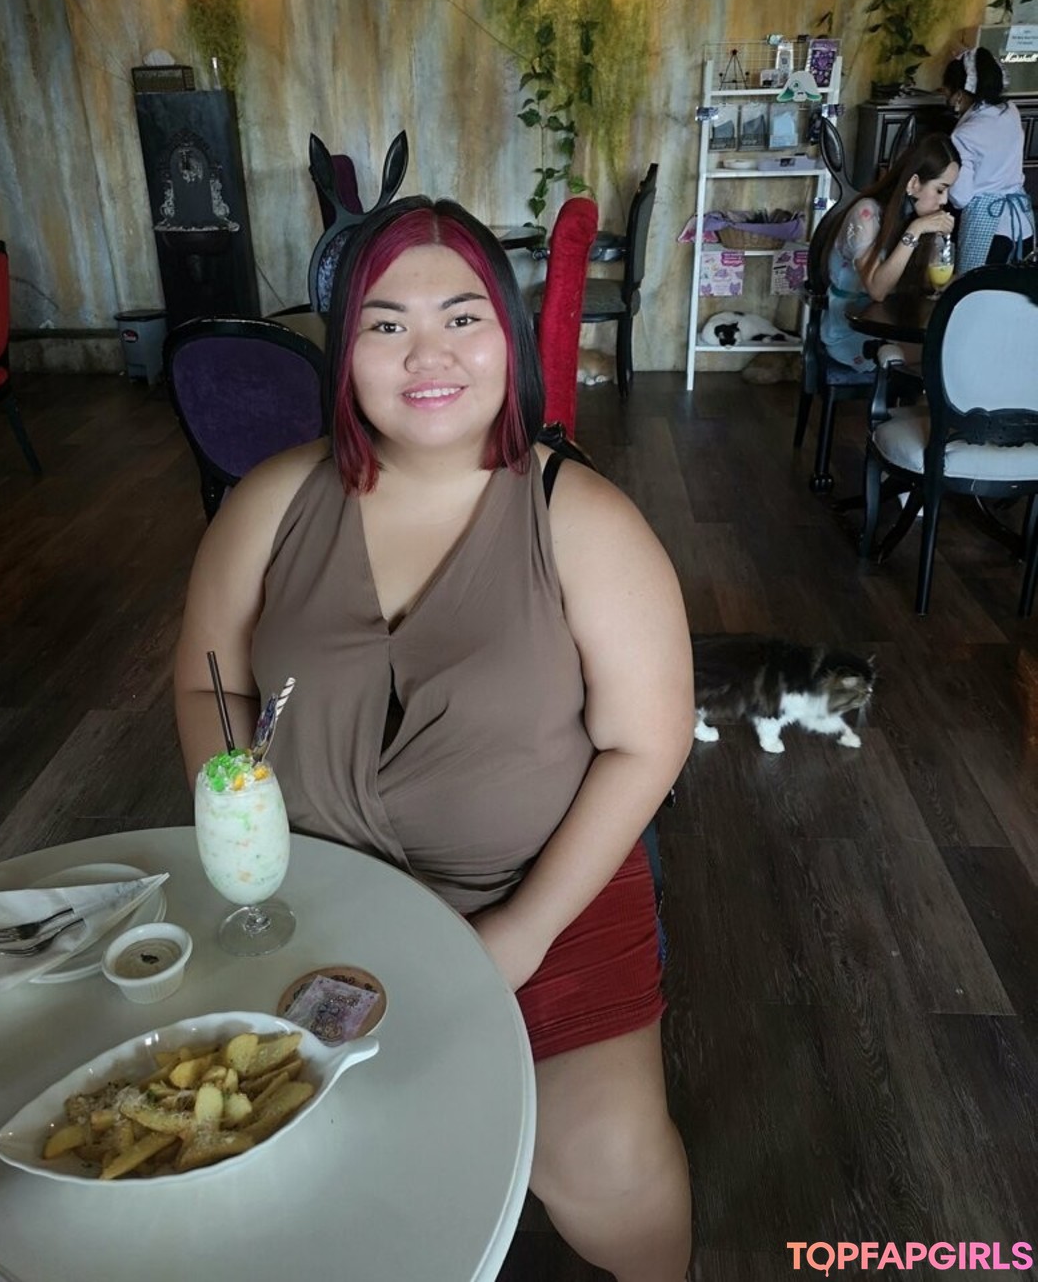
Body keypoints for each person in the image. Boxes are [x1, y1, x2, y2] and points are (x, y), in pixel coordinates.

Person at [174, 196, 695, 1281]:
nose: (428, 355)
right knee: (279, 1163)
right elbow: (207, 683)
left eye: (463, 318)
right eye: (385, 323)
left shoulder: (582, 517)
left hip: (540, 897)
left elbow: (648, 743)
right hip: (318, 904)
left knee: (604, 1161)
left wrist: (519, 934)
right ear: (343, 352)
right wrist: (238, 833)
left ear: (511, 338)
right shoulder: (271, 501)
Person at [817, 133, 960, 372]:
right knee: (944, 357)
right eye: (940, 189)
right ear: (914, 183)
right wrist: (915, 231)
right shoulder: (867, 214)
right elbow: (878, 290)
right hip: (852, 329)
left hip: (895, 324)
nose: (944, 200)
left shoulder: (915, 217)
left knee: (957, 347)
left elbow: (927, 283)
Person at [942, 46, 1035, 272]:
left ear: (959, 94)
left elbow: (961, 197)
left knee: (976, 290)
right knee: (1015, 289)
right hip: (1023, 225)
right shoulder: (1010, 111)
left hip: (989, 229)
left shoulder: (964, 134)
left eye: (947, 91)